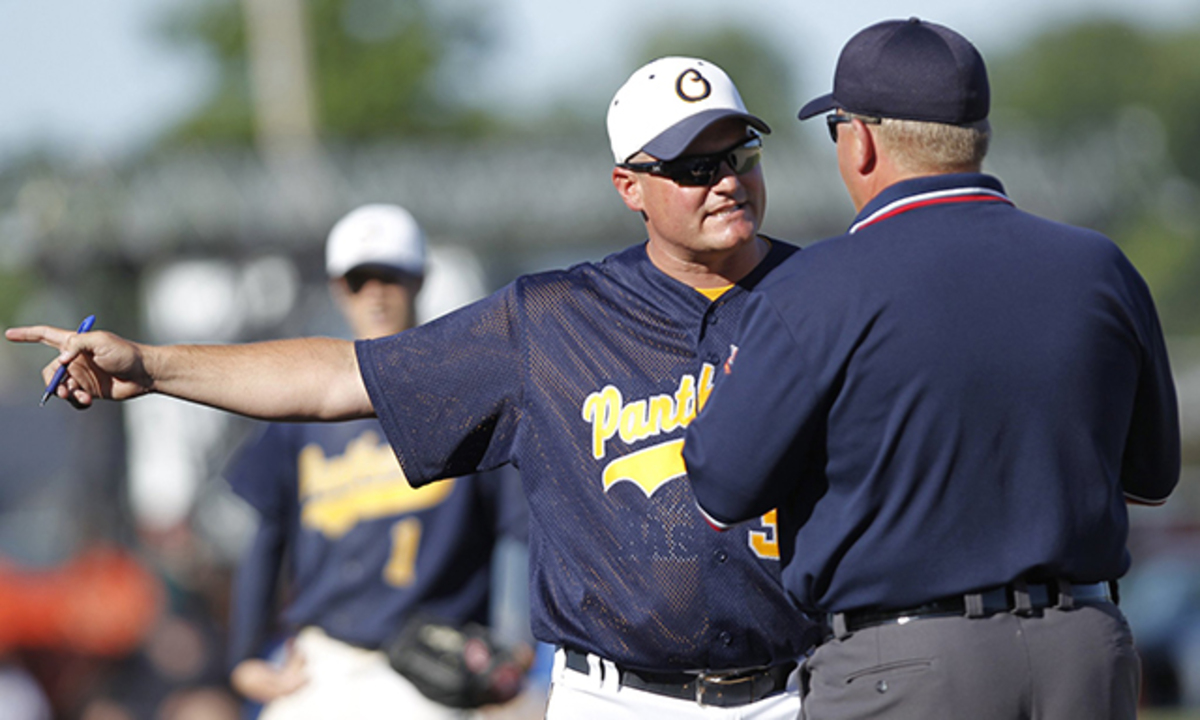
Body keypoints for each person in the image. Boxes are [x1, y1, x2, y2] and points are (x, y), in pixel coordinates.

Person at [6, 56, 822, 720]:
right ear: (629, 187)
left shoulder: (827, 295)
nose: (725, 180)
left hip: (799, 687)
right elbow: (340, 375)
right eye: (694, 166)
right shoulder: (553, 320)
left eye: (740, 155)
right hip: (618, 700)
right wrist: (153, 366)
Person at [682, 17, 1182, 720]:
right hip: (1082, 652)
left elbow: (721, 488)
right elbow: (1153, 479)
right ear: (976, 133)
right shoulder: (1100, 267)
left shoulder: (816, 286)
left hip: (904, 662)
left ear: (859, 141)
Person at [222, 204, 527, 719]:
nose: (376, 294)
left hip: (431, 666)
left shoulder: (465, 399)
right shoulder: (303, 408)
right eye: (360, 280)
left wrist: (517, 641)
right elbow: (268, 533)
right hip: (323, 660)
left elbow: (521, 530)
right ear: (338, 288)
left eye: (391, 277)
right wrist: (245, 653)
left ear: (419, 281)